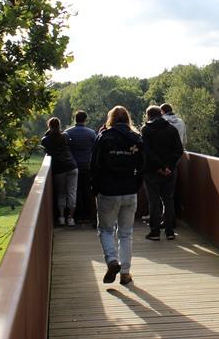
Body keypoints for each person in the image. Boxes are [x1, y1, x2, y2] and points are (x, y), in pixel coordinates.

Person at [91, 105, 144, 285]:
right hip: (129, 189)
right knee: (126, 233)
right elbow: (142, 166)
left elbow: (95, 165)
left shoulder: (104, 137)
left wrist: (95, 189)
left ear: (111, 119)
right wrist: (136, 185)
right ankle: (125, 273)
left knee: (105, 230)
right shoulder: (136, 138)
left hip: (108, 190)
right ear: (127, 119)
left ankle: (112, 261)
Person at [141, 105, 184, 241]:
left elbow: (146, 152)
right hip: (170, 171)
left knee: (153, 201)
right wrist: (168, 167)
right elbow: (179, 150)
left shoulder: (146, 130)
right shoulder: (171, 129)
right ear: (160, 114)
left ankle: (155, 232)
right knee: (168, 199)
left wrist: (158, 167)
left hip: (151, 171)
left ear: (148, 115)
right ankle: (170, 231)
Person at [41, 117, 78, 226]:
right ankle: (71, 218)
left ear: (49, 126)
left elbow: (44, 140)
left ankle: (61, 217)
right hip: (71, 166)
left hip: (59, 168)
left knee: (61, 193)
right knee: (72, 192)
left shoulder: (46, 139)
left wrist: (48, 131)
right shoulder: (65, 136)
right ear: (59, 125)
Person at [65, 110, 97, 225]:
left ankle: (77, 215)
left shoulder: (68, 133)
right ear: (85, 119)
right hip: (88, 165)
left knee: (75, 191)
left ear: (75, 119)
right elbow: (95, 149)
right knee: (87, 190)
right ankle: (89, 214)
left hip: (73, 166)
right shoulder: (91, 133)